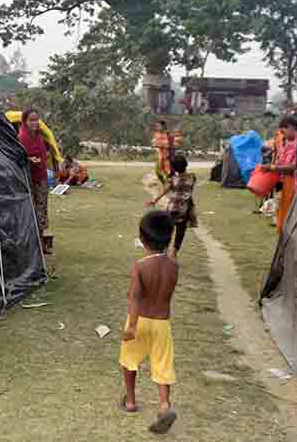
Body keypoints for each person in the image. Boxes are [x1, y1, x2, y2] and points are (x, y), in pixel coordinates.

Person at [119, 211, 179, 434]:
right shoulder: (174, 266)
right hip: (162, 323)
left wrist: (132, 326)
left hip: (140, 321)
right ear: (169, 238)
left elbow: (134, 297)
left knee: (129, 361)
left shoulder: (140, 266)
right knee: (163, 366)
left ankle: (131, 401)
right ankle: (164, 405)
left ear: (142, 239)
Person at [264, 116, 297, 235]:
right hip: (288, 184)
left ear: (290, 127)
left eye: (283, 132)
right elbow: (283, 163)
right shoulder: (292, 143)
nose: (283, 136)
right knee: (286, 217)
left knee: (294, 217)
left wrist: (272, 168)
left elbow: (294, 167)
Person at [147, 155, 196, 258]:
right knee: (180, 231)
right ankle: (174, 252)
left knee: (167, 229)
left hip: (173, 208)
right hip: (185, 209)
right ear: (186, 165)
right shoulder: (192, 177)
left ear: (174, 167)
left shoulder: (173, 179)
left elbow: (165, 190)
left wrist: (155, 200)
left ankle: (164, 250)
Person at [19, 107, 53, 254]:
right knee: (31, 211)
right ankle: (33, 245)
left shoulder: (39, 136)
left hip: (41, 177)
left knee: (42, 210)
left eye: (36, 119)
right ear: (25, 121)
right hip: (29, 179)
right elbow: (19, 157)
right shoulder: (21, 137)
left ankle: (41, 243)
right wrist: (29, 159)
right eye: (31, 120)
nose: (34, 123)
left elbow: (44, 154)